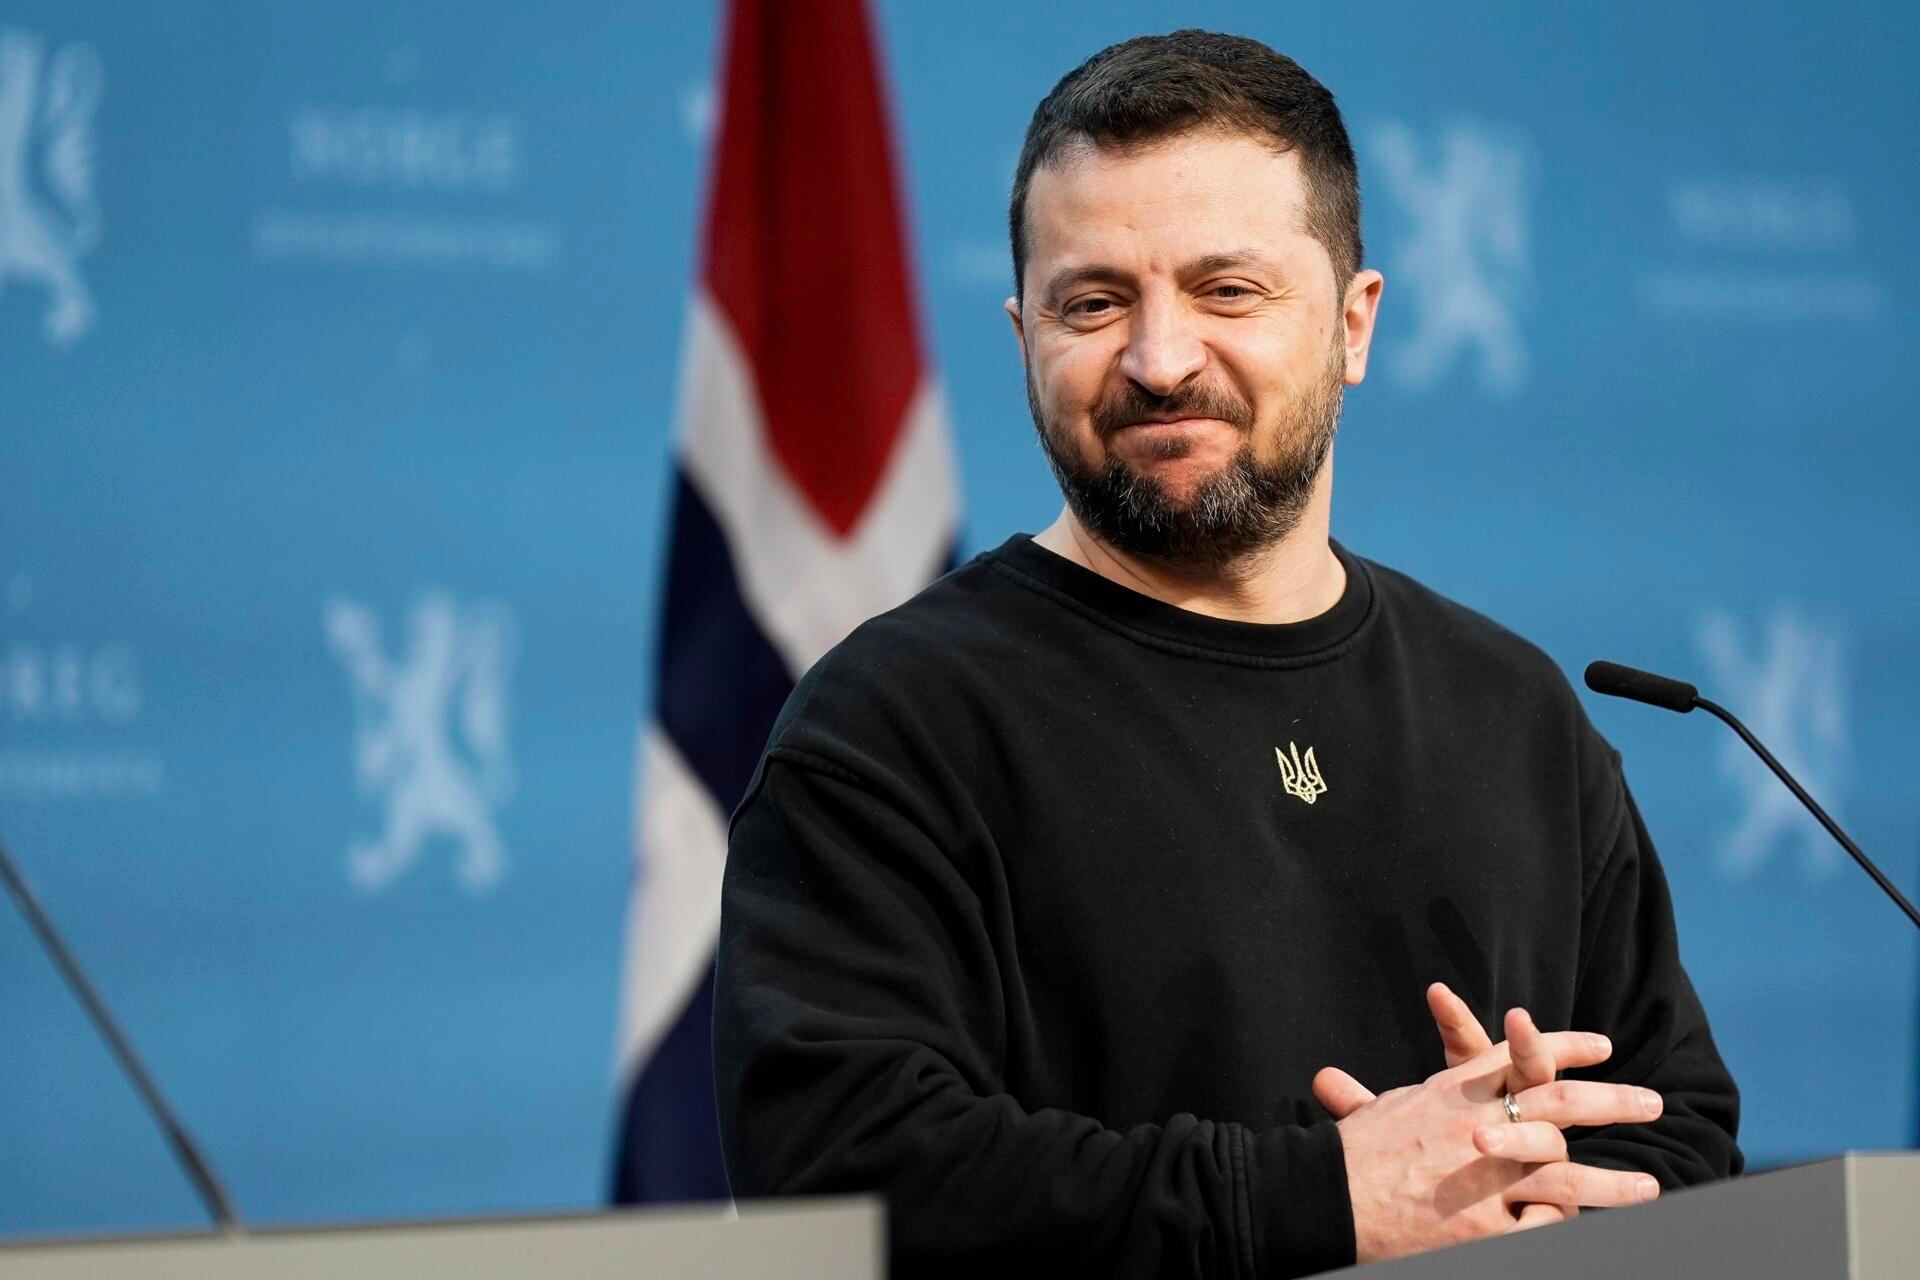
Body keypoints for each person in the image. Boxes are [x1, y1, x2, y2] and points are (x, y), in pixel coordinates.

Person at [713, 29, 1741, 1279]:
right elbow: (839, 1176)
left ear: (1355, 325)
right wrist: (1325, 1197)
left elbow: (1675, 1130)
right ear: (1022, 333)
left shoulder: (1513, 709)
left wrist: (1523, 1195)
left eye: (1227, 290)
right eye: (1093, 302)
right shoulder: (893, 720)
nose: (1158, 359)